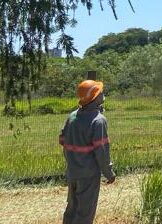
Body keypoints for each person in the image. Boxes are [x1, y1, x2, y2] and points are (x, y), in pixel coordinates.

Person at [60, 79, 115, 224]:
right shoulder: (98, 121)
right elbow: (101, 152)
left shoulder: (72, 116)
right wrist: (109, 173)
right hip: (88, 175)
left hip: (72, 172)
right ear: (95, 97)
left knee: (72, 209)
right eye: (101, 92)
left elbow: (62, 141)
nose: (103, 94)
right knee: (85, 213)